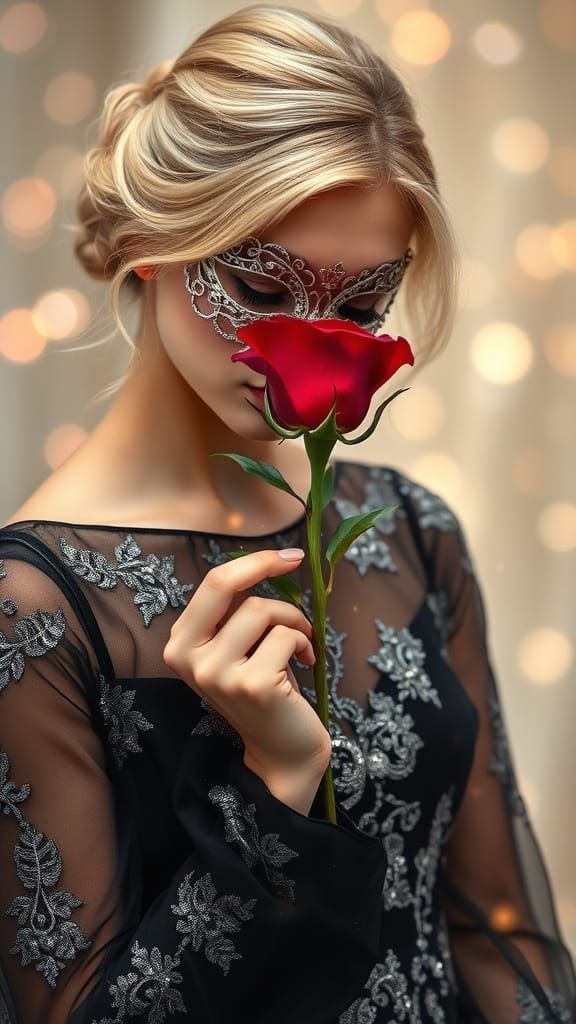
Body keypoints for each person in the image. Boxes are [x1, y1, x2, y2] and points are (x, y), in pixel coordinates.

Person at [0, 5, 573, 1022]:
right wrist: (276, 782)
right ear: (149, 243)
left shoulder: (412, 529)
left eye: (358, 309)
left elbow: (499, 927)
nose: (306, 344)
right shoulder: (30, 606)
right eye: (262, 284)